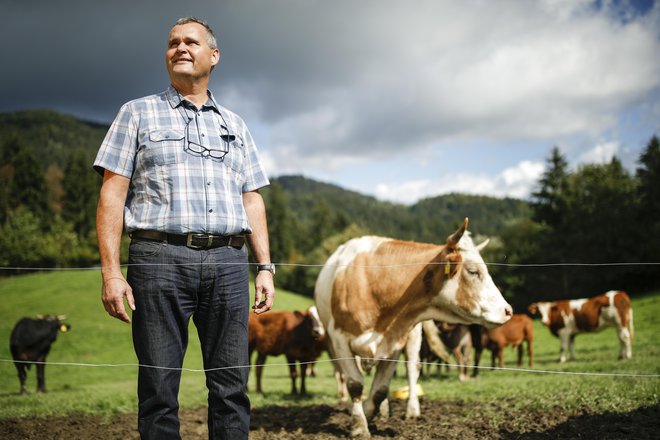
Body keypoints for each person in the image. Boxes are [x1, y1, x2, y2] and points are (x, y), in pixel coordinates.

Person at [94, 17, 275, 439]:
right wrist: (111, 272)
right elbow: (112, 195)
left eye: (191, 42)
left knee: (231, 388)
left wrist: (264, 267)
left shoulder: (236, 124)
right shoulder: (136, 113)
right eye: (173, 42)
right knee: (159, 389)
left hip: (230, 262)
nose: (180, 47)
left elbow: (252, 198)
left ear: (213, 56)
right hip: (158, 260)